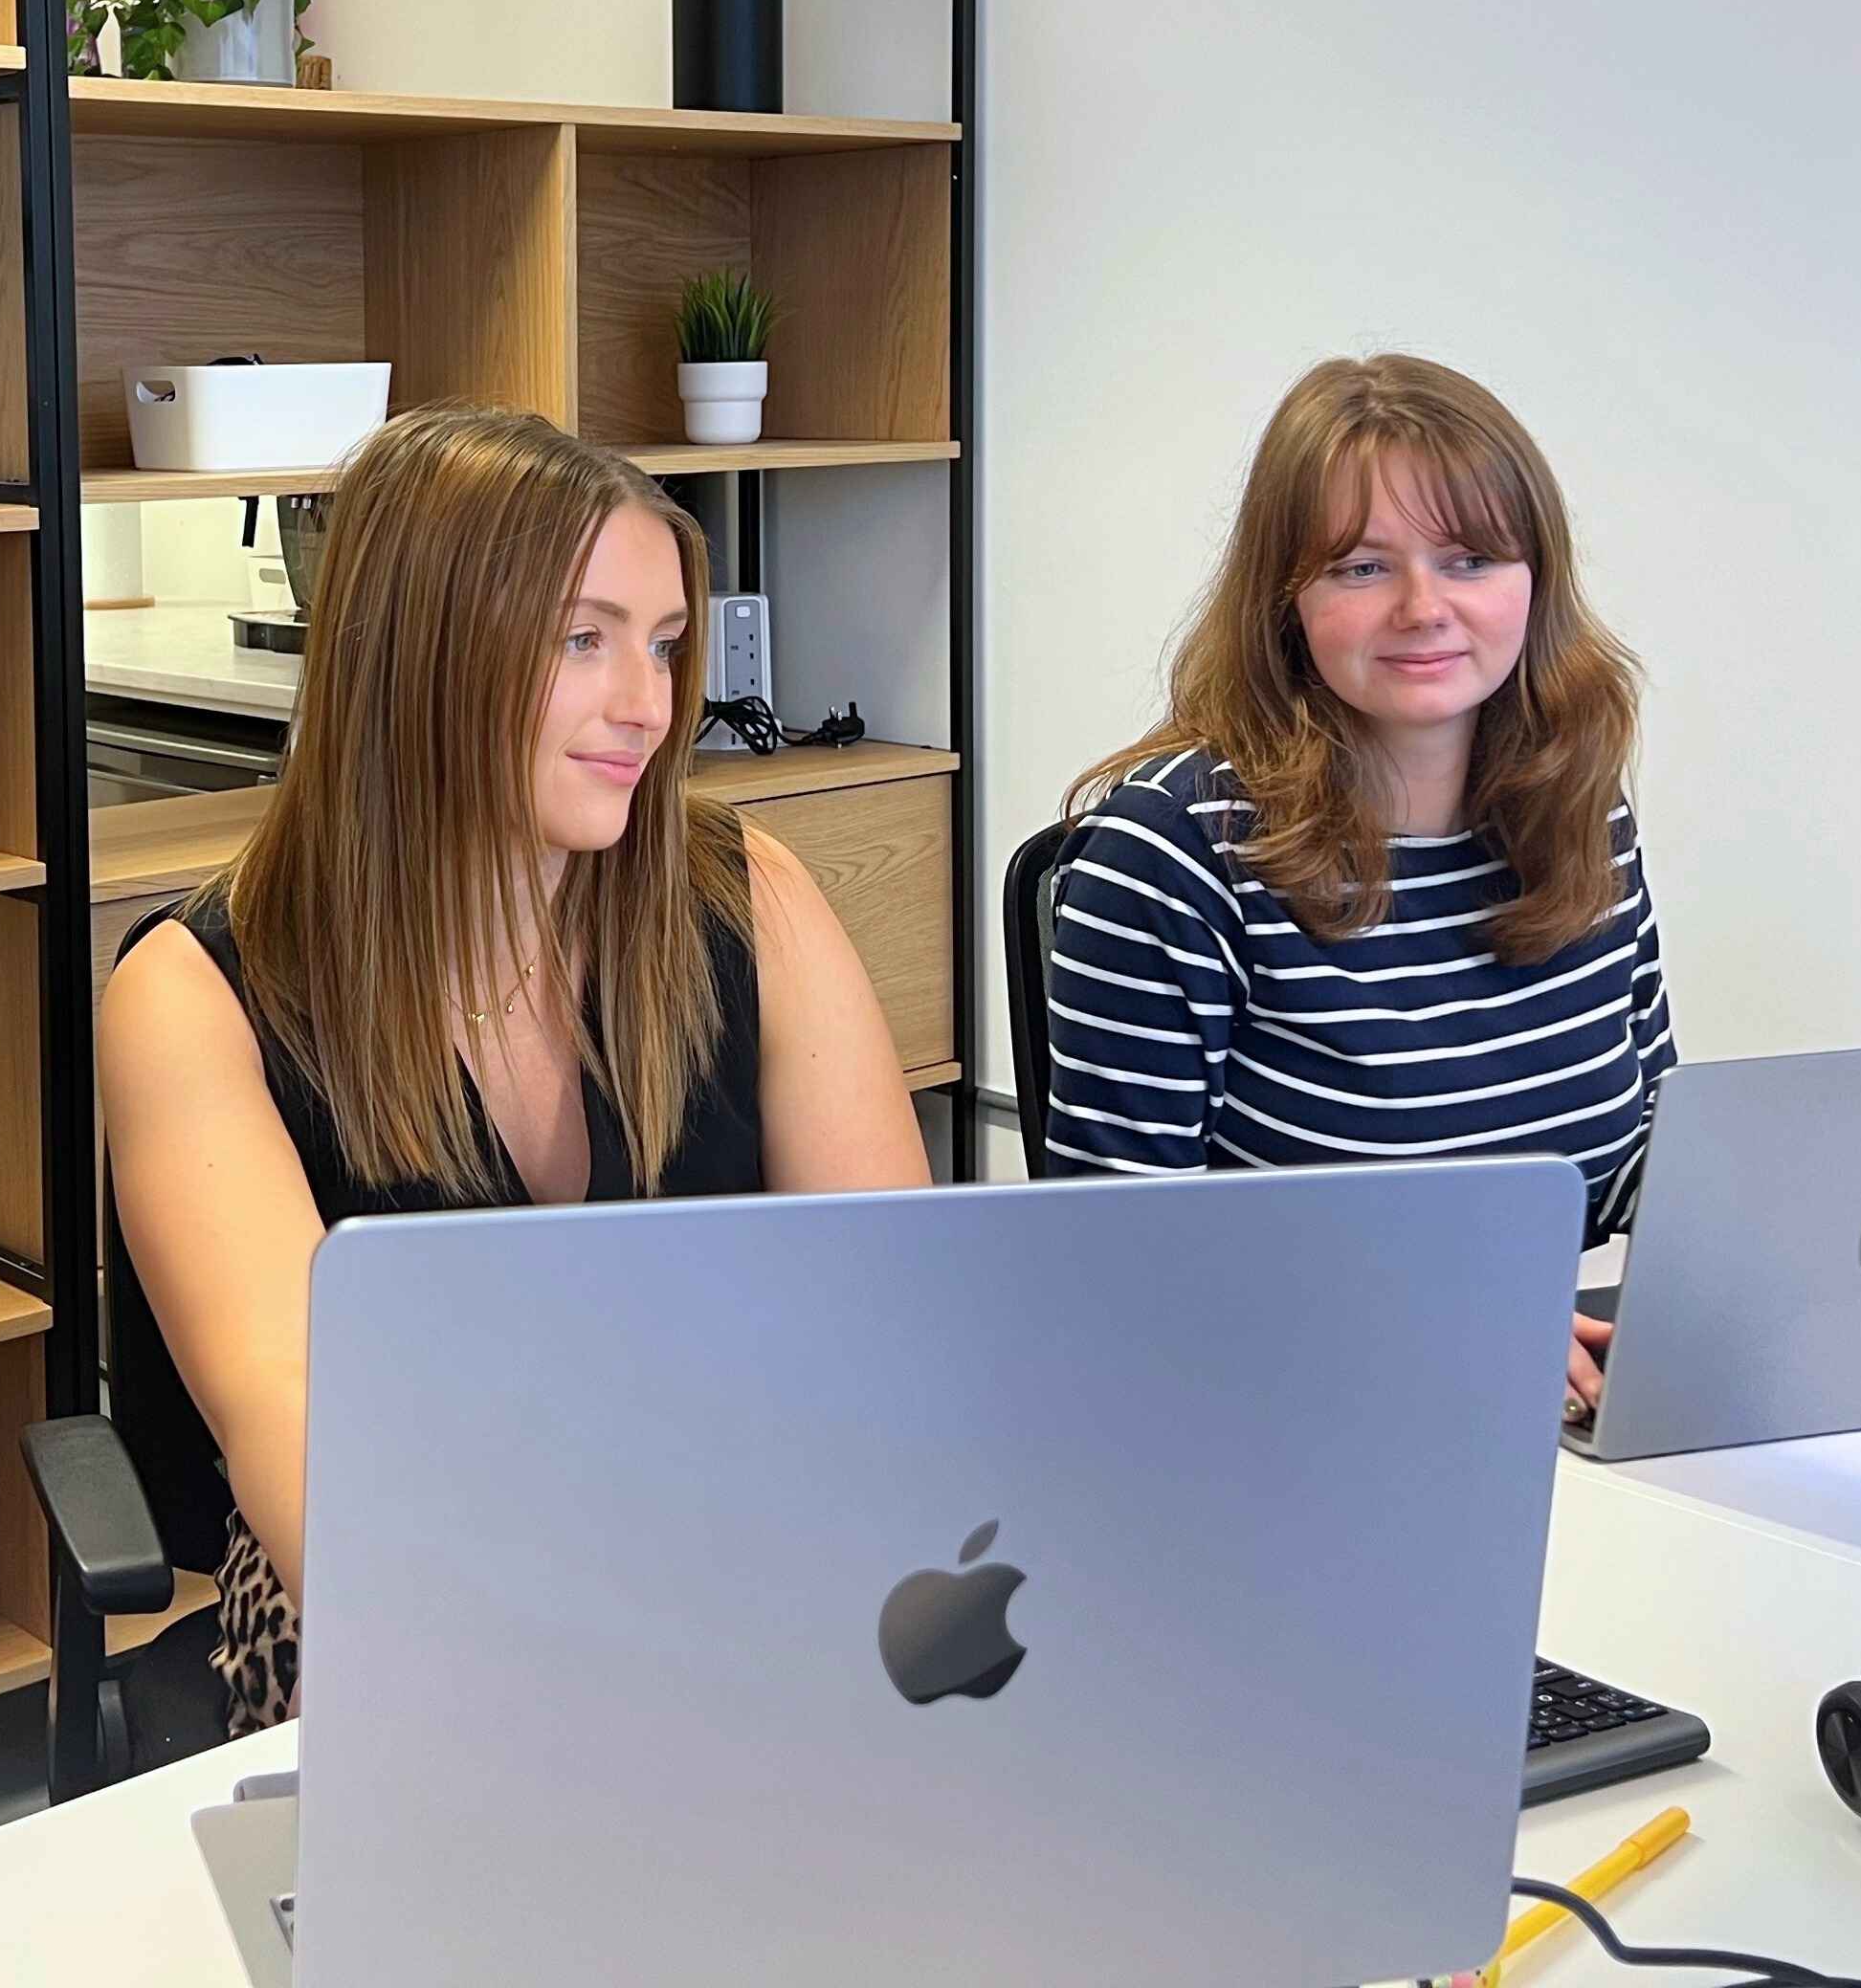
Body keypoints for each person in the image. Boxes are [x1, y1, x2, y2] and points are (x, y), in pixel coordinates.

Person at [101, 405, 932, 1734]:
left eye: (664, 646)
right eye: (582, 640)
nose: (647, 705)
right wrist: (643, 1673)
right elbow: (307, 1451)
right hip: (406, 1621)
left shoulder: (742, 892)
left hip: (740, 1557)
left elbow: (894, 1312)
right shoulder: (198, 997)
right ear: (422, 654)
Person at [1041, 354, 1672, 1415]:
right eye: (1362, 568)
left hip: (1556, 1402)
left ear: (1536, 582)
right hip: (1294, 1416)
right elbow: (1113, 1277)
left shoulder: (1580, 808)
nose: (1426, 608)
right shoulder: (1169, 853)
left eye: (1470, 558)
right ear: (1285, 601)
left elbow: (1643, 1153)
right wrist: (1444, 1317)